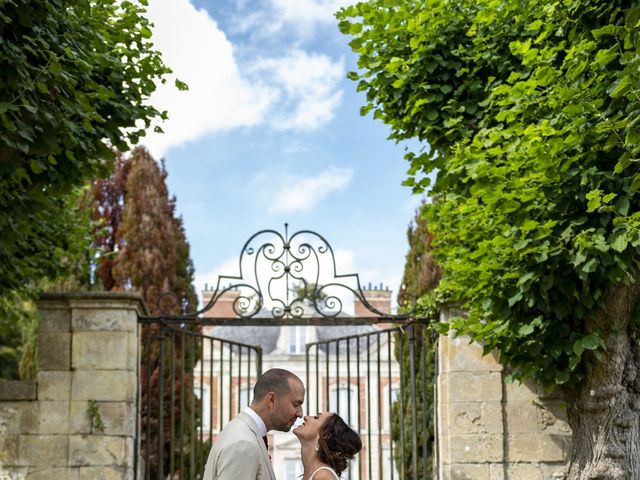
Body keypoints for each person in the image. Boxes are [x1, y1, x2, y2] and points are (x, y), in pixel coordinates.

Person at [202, 368, 305, 480]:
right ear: (271, 400)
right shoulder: (243, 444)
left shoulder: (246, 434)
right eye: (295, 404)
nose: (300, 414)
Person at [294, 412, 362, 480]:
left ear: (324, 435)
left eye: (316, 418)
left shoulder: (323, 476)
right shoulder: (317, 474)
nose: (306, 417)